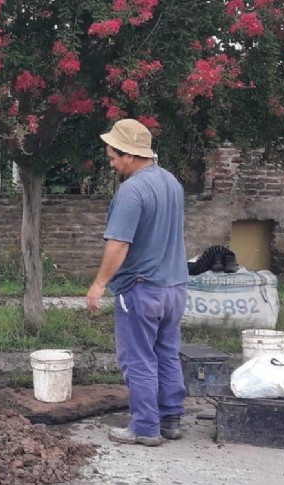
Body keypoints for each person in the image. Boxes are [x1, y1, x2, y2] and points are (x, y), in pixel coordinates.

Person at [86, 119, 188, 446]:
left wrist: (99, 284)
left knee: (139, 359)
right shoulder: (171, 182)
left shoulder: (132, 190)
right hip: (174, 288)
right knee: (167, 354)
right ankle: (171, 419)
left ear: (129, 155)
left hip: (142, 289)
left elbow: (118, 244)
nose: (112, 163)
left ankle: (145, 427)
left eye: (114, 156)